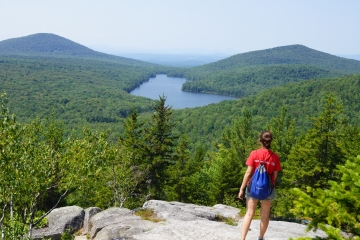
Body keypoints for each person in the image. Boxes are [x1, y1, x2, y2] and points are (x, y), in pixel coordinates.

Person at [238, 130, 282, 240]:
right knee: (265, 215)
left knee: (249, 214)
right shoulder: (275, 157)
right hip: (268, 188)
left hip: (253, 187)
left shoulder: (254, 153)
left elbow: (248, 173)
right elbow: (275, 175)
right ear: (271, 141)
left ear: (260, 141)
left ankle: (242, 238)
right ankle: (261, 238)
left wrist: (242, 189)